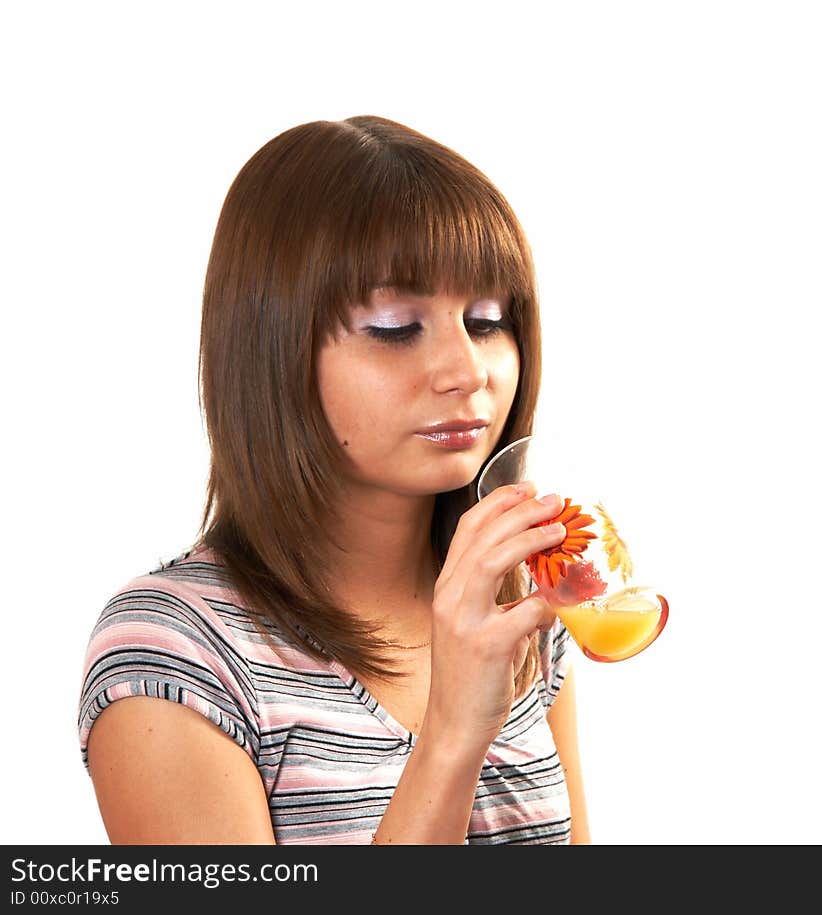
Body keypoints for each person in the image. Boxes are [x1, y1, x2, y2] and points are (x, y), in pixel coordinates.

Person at [77, 115, 591, 845]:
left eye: (486, 320)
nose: (469, 371)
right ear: (272, 346)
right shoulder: (176, 650)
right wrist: (451, 730)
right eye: (394, 325)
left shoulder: (515, 603)